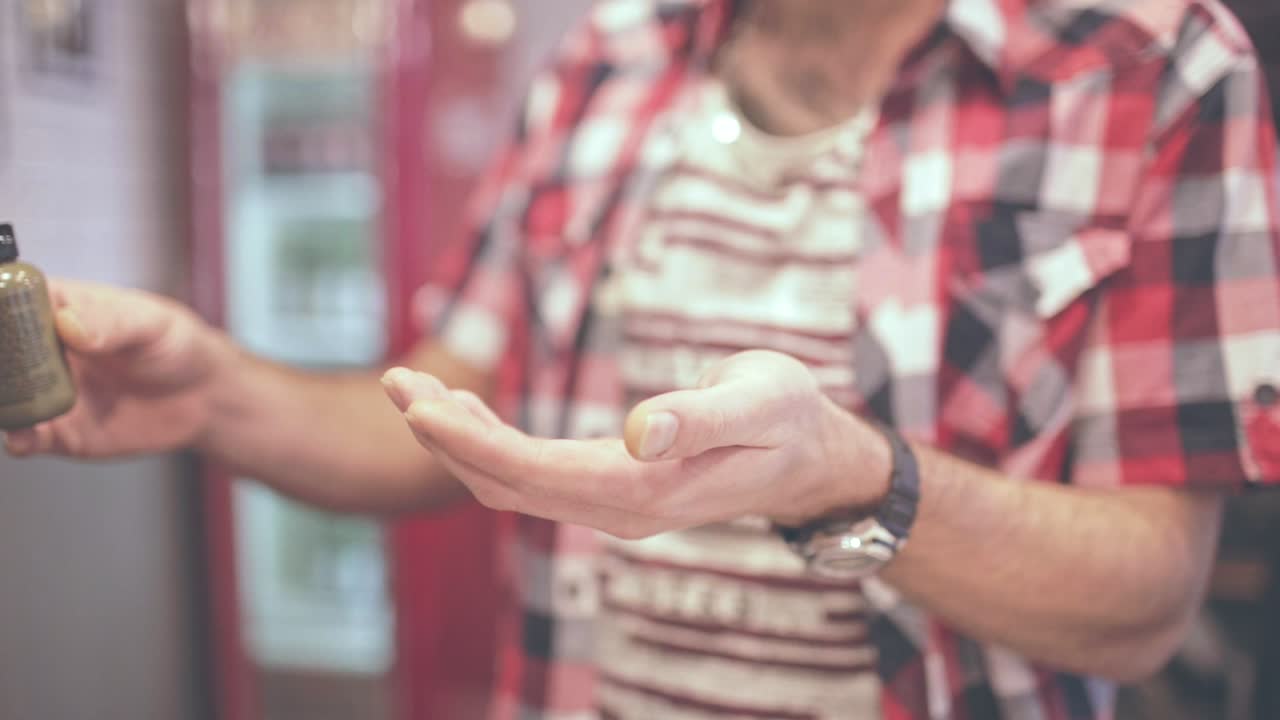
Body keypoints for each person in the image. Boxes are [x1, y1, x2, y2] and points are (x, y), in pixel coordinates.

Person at [7, 0, 1280, 717]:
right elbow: (452, 413)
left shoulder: (1151, 68)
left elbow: (1145, 596)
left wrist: (842, 474)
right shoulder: (600, 67)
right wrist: (215, 390)